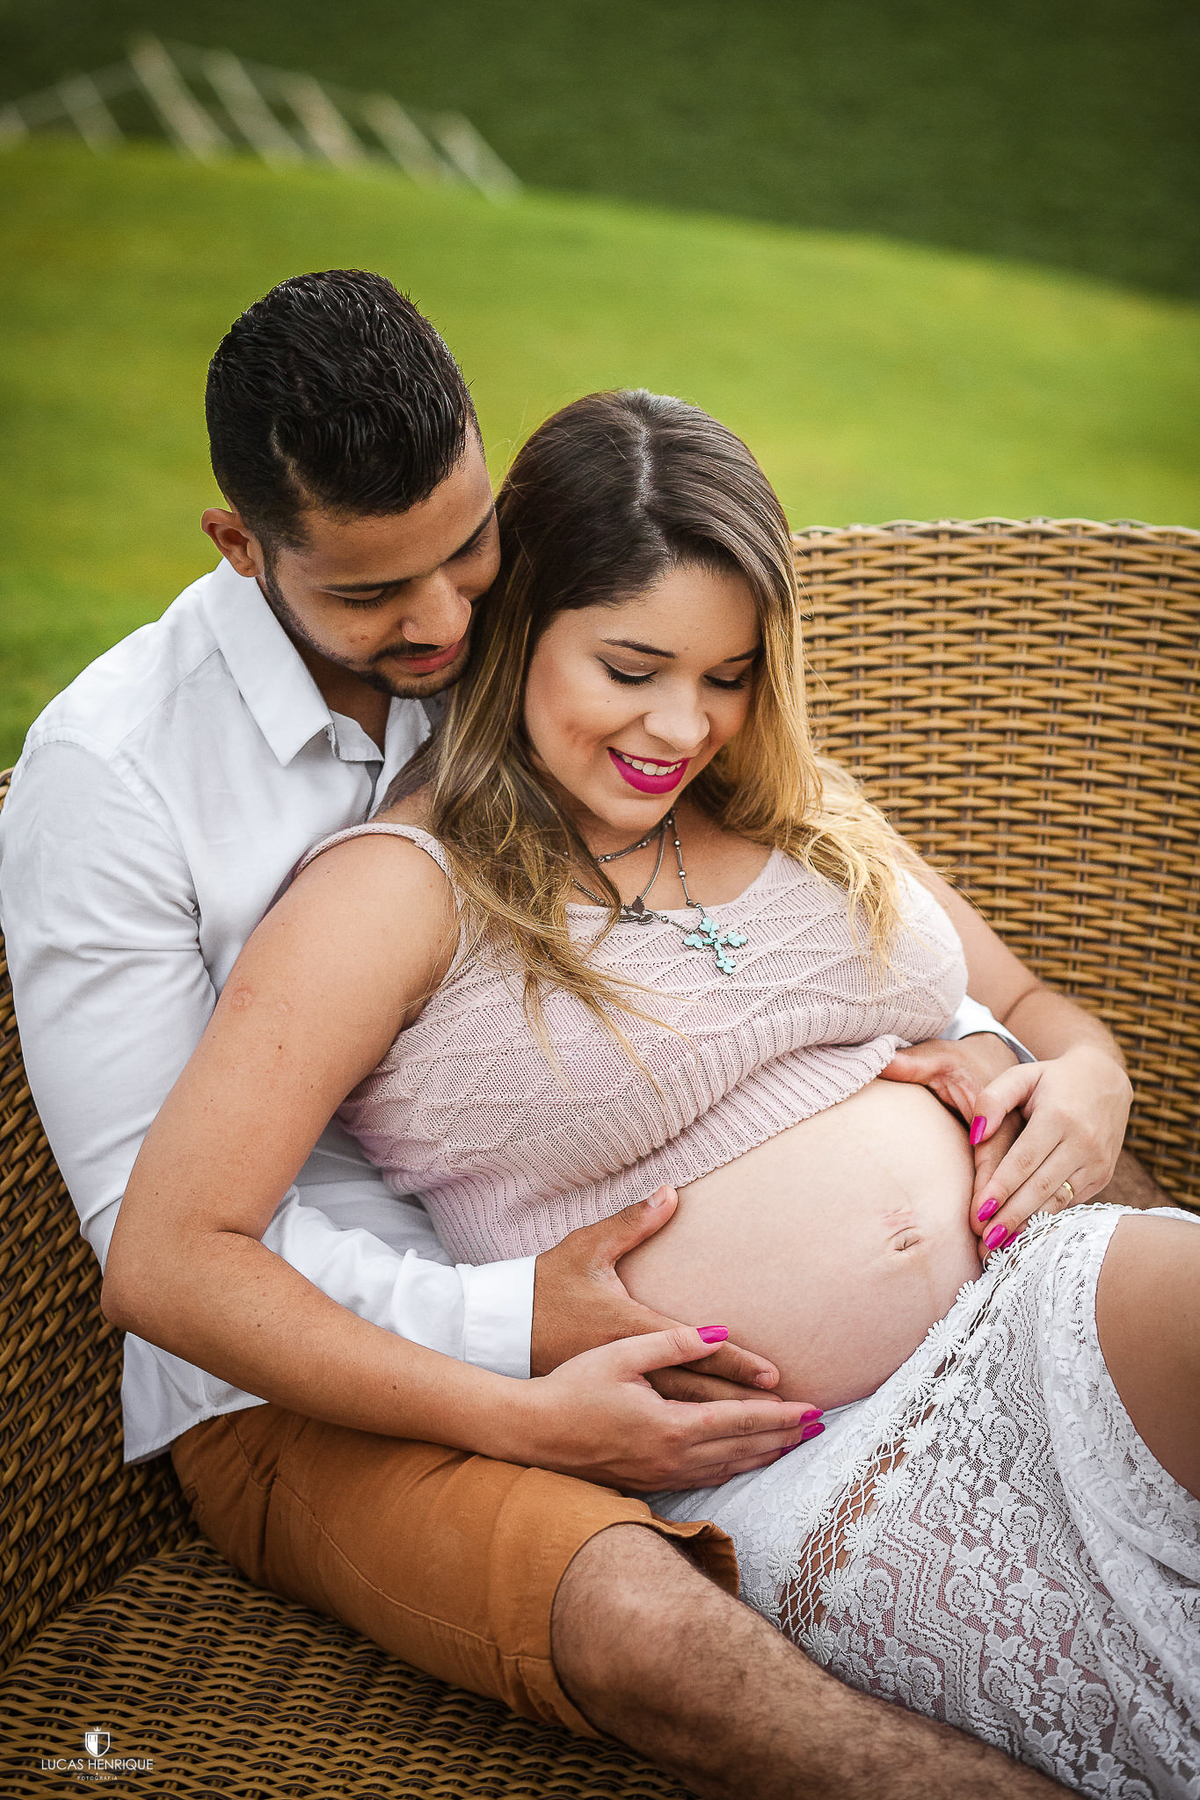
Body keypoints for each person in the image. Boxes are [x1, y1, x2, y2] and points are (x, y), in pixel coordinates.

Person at [0, 270, 1142, 1800]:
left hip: (741, 1295)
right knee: (646, 1627)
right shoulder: (120, 778)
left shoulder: (555, 656)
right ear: (239, 545)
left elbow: (755, 920)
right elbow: (173, 1253)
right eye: (371, 594)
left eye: (473, 555)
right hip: (304, 1386)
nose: (445, 622)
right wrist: (518, 1364)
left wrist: (1033, 1060)